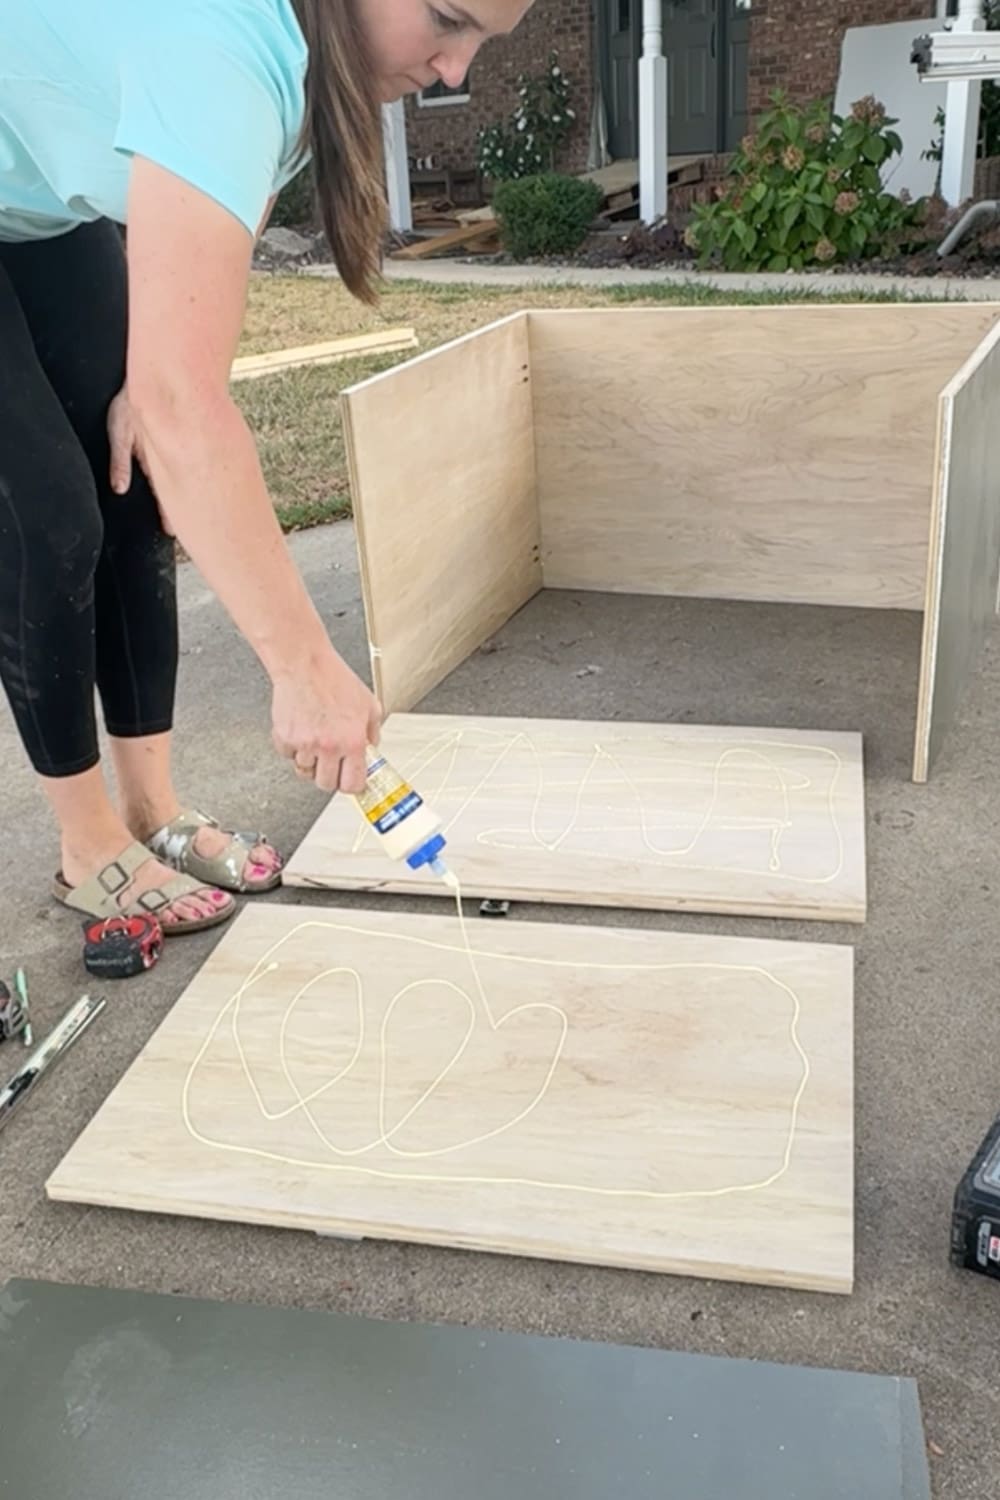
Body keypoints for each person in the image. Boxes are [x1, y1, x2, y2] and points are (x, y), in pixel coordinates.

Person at [0, 0, 532, 936]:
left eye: (483, 37)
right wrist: (304, 668)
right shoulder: (224, 56)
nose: (455, 70)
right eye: (449, 21)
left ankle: (147, 812)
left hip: (37, 203)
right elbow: (184, 413)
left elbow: (180, 359)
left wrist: (156, 383)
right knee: (46, 517)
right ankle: (88, 845)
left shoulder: (295, 56)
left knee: (136, 489)